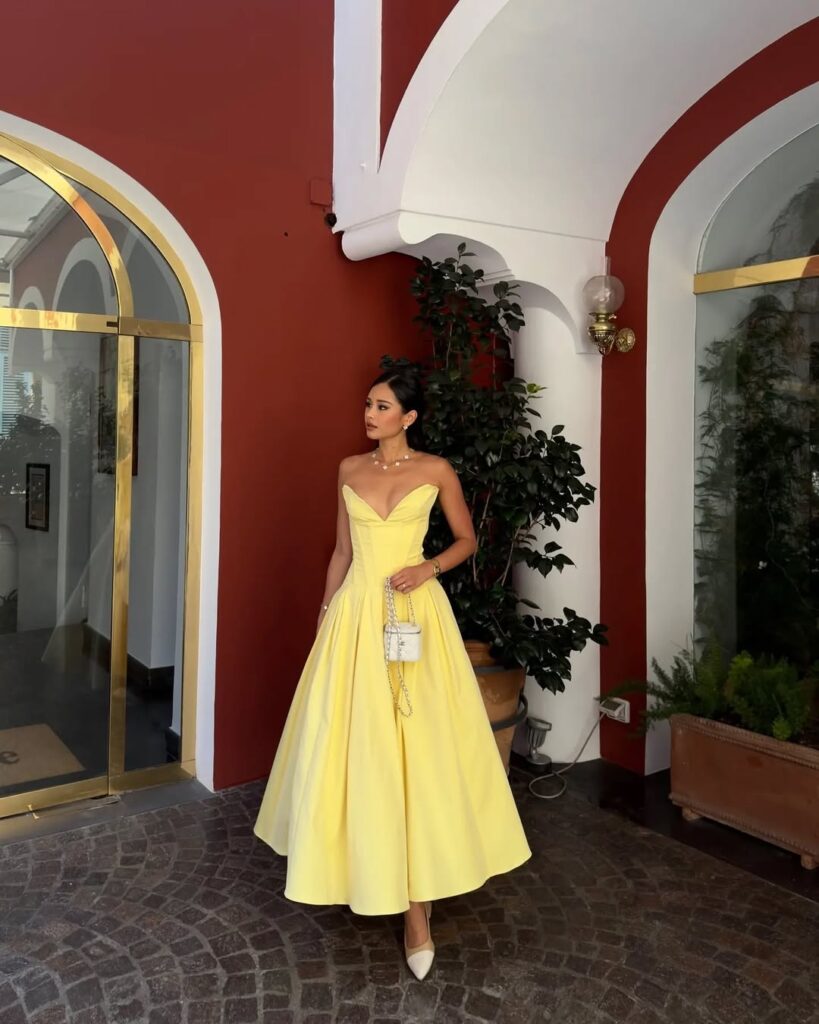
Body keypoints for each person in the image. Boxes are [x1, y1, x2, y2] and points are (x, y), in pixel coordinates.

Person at [254, 365, 531, 980]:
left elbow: (466, 540)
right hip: (356, 615)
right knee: (359, 746)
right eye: (368, 404)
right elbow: (342, 552)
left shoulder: (435, 470)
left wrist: (428, 568)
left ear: (409, 417)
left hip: (413, 613)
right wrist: (325, 612)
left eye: (382, 406)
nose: (369, 414)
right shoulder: (348, 469)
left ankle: (417, 914)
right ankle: (358, 867)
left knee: (418, 749)